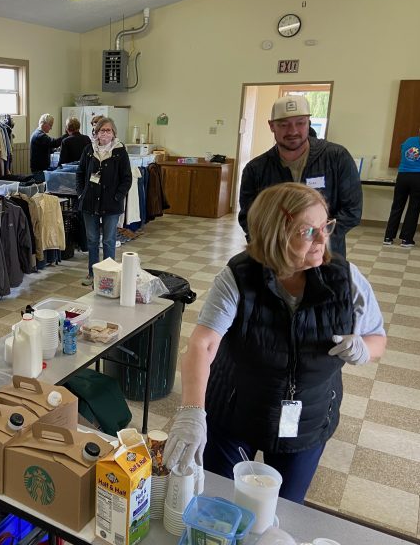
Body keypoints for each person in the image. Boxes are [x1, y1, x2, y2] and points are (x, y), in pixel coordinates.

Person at [163, 182, 386, 503]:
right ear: (275, 233)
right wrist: (191, 411)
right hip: (234, 412)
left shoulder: (347, 280)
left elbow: (378, 338)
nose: (324, 239)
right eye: (309, 231)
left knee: (282, 510)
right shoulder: (239, 276)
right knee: (217, 502)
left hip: (308, 420)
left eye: (326, 227)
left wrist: (365, 348)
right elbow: (203, 345)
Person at [239, 95, 362, 257]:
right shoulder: (256, 169)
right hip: (277, 256)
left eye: (300, 123)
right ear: (271, 126)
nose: (293, 131)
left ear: (308, 123)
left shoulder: (336, 157)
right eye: (284, 124)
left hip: (325, 253)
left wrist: (314, 238)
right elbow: (249, 217)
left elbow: (352, 210)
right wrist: (269, 243)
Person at [75, 116, 132, 286]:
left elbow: (127, 178)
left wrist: (117, 196)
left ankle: (108, 276)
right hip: (89, 202)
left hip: (111, 204)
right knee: (92, 240)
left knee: (108, 240)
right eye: (102, 130)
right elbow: (80, 173)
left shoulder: (120, 151)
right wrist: (81, 193)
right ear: (96, 132)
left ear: (113, 133)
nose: (105, 133)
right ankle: (92, 274)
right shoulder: (88, 150)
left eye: (108, 130)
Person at [383, 118, 420, 247]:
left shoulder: (408, 141)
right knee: (413, 208)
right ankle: (406, 240)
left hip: (402, 176)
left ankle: (388, 237)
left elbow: (403, 154)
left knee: (396, 206)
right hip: (419, 179)